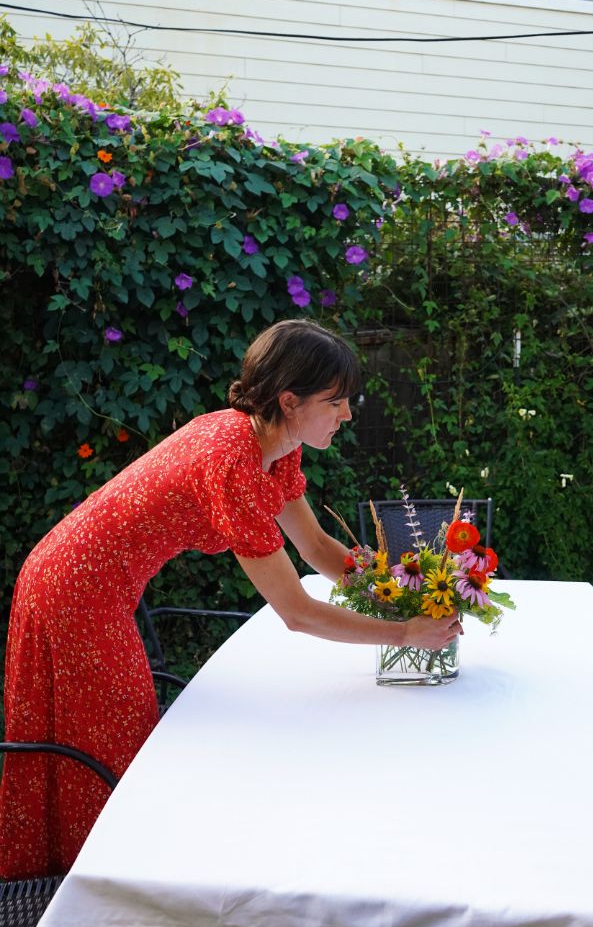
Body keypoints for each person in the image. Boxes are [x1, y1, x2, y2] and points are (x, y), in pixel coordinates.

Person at [0, 318, 460, 882]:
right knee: (112, 741)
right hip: (73, 589)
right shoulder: (234, 461)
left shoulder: (275, 446)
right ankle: (103, 901)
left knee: (106, 733)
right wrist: (406, 633)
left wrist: (399, 591)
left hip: (84, 581)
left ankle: (101, 895)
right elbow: (297, 612)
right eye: (335, 402)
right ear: (290, 401)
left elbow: (316, 547)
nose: (346, 415)